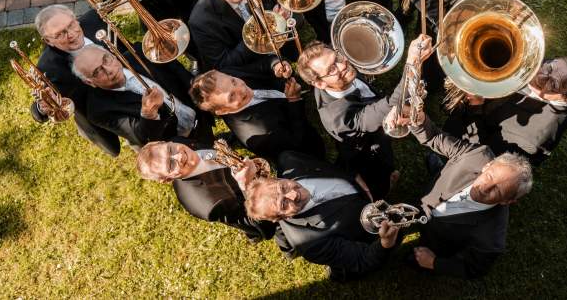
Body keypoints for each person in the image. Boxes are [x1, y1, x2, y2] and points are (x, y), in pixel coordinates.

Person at [295, 34, 434, 199]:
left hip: (366, 137)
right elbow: (391, 106)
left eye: (337, 57)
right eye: (331, 69)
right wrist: (413, 62)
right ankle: (386, 185)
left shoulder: (338, 77)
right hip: (369, 153)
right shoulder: (341, 118)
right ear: (320, 83)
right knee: (380, 178)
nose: (343, 64)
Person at [398, 112, 533, 279]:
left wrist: (433, 263)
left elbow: (474, 269)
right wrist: (420, 121)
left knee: (414, 254)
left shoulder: (491, 238)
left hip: (434, 243)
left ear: (508, 201)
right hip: (422, 206)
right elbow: (435, 137)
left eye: (497, 190)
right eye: (489, 177)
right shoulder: (478, 155)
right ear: (487, 165)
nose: (485, 188)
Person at [243, 151, 400, 281]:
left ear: (278, 178)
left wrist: (352, 175)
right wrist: (386, 243)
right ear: (281, 218)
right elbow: (364, 260)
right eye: (283, 204)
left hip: (363, 194)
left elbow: (329, 166)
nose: (293, 195)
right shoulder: (310, 244)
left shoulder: (290, 159)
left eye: (283, 187)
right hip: (369, 236)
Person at [444, 57, 567, 166]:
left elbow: (482, 151)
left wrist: (475, 106)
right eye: (548, 67)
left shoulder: (530, 140)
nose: (536, 75)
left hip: (467, 142)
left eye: (552, 84)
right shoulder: (565, 76)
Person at [71, 45, 213, 148]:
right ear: (90, 82)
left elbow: (178, 72)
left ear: (111, 54)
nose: (109, 70)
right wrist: (148, 113)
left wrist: (203, 97)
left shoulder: (139, 52)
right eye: (97, 72)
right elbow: (144, 138)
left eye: (106, 59)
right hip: (181, 144)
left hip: (198, 112)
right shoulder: (99, 111)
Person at [136, 138, 275, 242]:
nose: (179, 156)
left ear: (168, 142)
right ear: (167, 179)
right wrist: (246, 185)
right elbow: (264, 227)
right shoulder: (208, 205)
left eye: (170, 150)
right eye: (171, 165)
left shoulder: (181, 142)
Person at [31, 4, 121, 156]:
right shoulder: (48, 68)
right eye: (60, 34)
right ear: (48, 41)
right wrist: (42, 107)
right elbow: (37, 110)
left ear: (76, 19)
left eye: (71, 25)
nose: (71, 34)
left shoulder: (94, 20)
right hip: (105, 108)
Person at [188, 0, 292, 74]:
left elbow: (291, 17)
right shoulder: (200, 21)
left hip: (285, 53)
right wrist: (256, 34)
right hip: (250, 71)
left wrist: (284, 13)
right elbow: (224, 64)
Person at [189, 69, 325, 161]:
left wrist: (275, 65)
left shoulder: (225, 79)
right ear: (223, 111)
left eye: (233, 81)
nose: (241, 89)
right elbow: (298, 143)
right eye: (231, 96)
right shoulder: (260, 136)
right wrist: (294, 101)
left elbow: (259, 66)